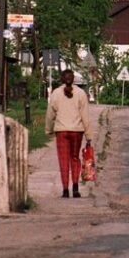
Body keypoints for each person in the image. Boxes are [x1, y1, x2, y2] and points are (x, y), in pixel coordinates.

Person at [45, 69, 93, 198]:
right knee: (75, 158)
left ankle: (65, 190)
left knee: (63, 160)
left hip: (61, 131)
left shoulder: (56, 93)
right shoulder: (81, 94)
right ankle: (76, 187)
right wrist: (88, 135)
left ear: (62, 79)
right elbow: (86, 116)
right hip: (77, 131)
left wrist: (48, 129)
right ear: (74, 79)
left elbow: (50, 114)